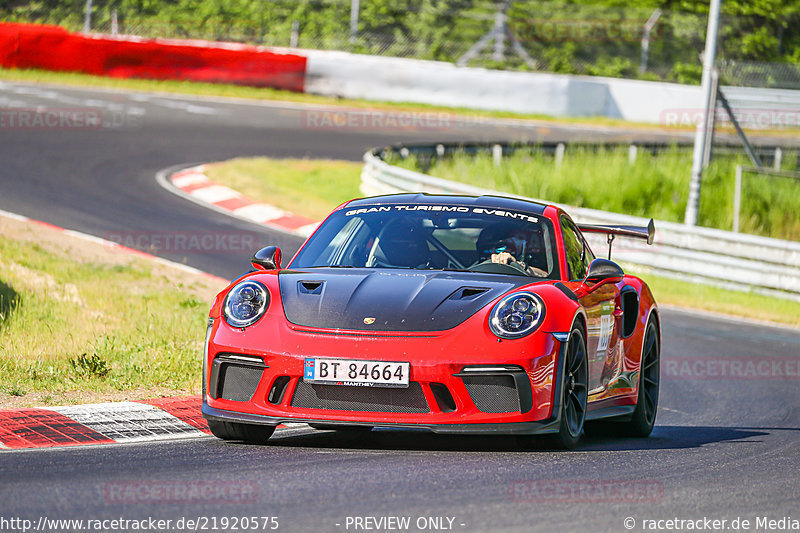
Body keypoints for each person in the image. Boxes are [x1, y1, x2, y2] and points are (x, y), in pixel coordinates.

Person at [475, 223, 548, 277]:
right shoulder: (470, 270)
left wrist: (517, 265)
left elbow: (547, 276)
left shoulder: (535, 264)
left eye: (500, 248)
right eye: (488, 249)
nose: (494, 253)